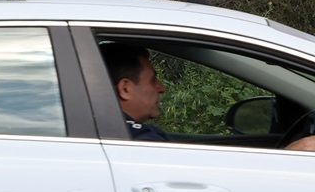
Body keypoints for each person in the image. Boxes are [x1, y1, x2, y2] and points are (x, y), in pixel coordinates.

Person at [102, 42, 315, 150]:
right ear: (125, 89)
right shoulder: (139, 142)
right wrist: (288, 156)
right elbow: (200, 183)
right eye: (152, 80)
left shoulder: (116, 132)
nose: (162, 88)